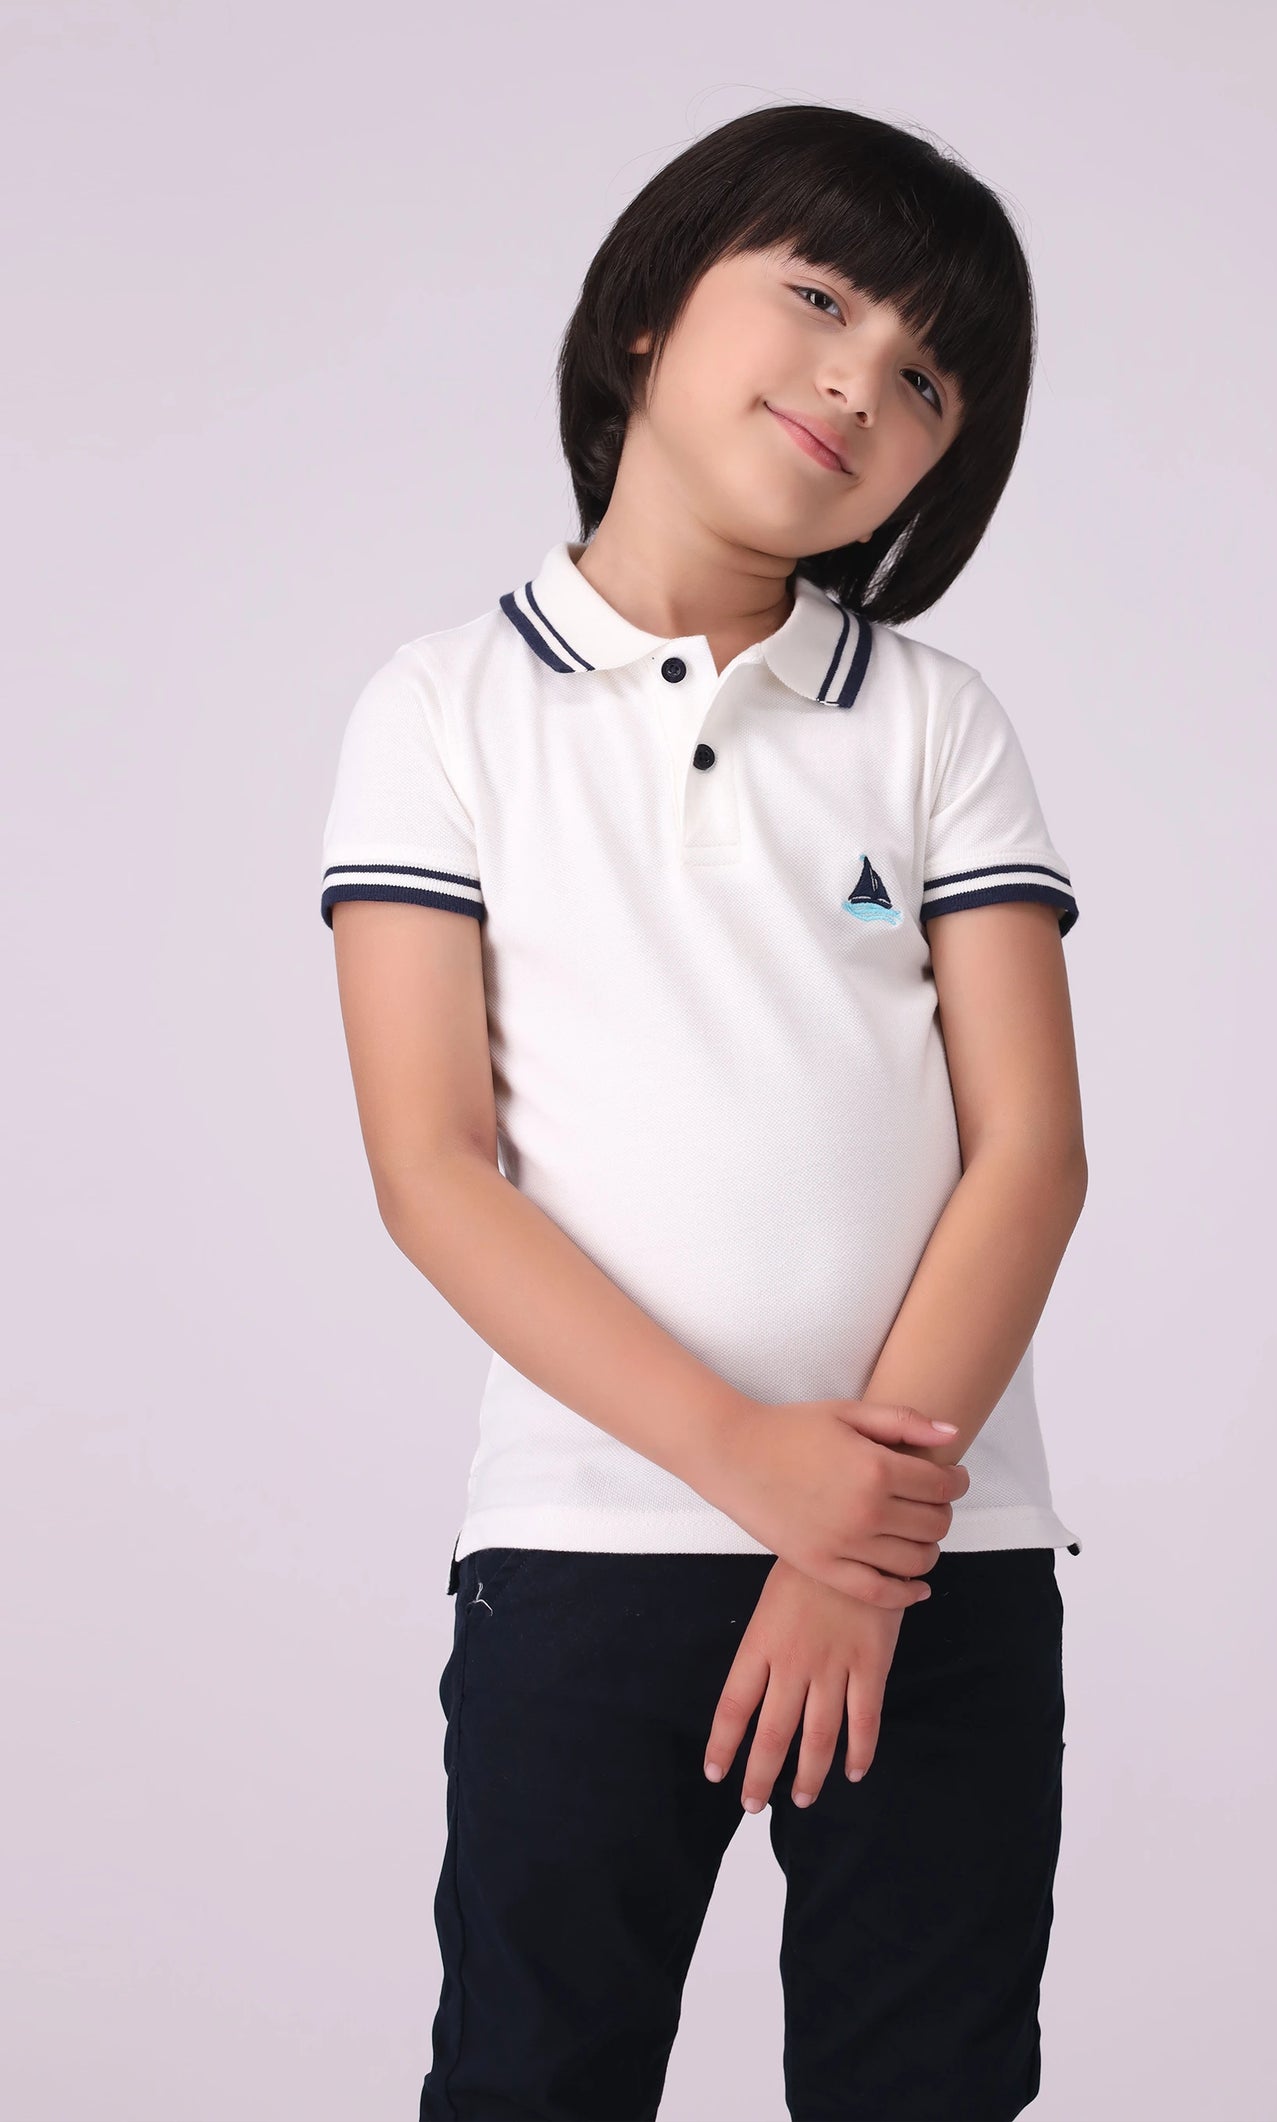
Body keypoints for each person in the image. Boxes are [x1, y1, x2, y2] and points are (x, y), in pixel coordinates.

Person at [319, 102, 1087, 2122]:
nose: (859, 381)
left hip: (938, 1560)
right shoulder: (442, 710)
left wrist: (855, 1548)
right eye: (820, 297)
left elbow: (1031, 1153)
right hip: (592, 1537)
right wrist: (754, 1466)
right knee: (533, 2077)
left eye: (926, 380)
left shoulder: (933, 721)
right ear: (653, 307)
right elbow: (431, 1168)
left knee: (925, 2086)